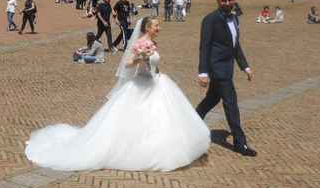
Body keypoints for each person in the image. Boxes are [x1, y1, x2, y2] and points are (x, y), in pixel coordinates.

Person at [26, 16, 210, 171]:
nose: (158, 28)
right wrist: (140, 58)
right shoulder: (140, 44)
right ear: (147, 28)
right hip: (142, 84)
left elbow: (155, 63)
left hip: (157, 81)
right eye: (156, 26)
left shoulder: (152, 42)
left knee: (162, 117)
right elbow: (129, 64)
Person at [196, 0, 256, 157]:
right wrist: (203, 72)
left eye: (230, 0)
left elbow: (235, 46)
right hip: (217, 68)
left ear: (234, 0)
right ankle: (240, 143)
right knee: (231, 104)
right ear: (218, 1)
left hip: (227, 67)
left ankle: (191, 122)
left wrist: (245, 67)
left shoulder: (235, 18)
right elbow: (205, 47)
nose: (227, 3)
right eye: (224, 1)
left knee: (211, 99)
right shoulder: (210, 20)